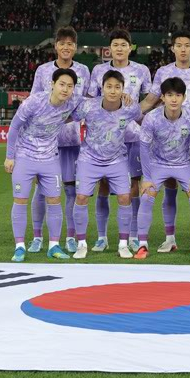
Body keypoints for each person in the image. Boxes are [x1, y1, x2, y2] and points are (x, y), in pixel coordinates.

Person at [142, 31, 190, 253]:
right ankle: (169, 238)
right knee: (169, 191)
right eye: (178, 45)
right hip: (165, 139)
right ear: (172, 48)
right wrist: (127, 114)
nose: (183, 49)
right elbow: (151, 99)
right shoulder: (163, 72)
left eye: (187, 45)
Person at [86, 29, 152, 253]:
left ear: (130, 47)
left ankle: (133, 235)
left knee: (133, 186)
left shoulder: (141, 70)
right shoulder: (99, 70)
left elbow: (151, 97)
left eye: (124, 44)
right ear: (110, 48)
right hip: (104, 137)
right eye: (115, 44)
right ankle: (102, 237)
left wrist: (134, 111)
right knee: (103, 184)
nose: (119, 48)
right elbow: (91, 99)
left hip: (132, 136)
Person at [5, 68, 81, 263]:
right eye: (62, 84)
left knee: (55, 201)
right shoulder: (34, 102)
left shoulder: (72, 103)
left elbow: (97, 106)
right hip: (25, 156)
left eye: (70, 86)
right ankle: (20, 247)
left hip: (49, 158)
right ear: (52, 84)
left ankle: (53, 246)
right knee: (20, 200)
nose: (65, 89)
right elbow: (14, 127)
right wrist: (10, 157)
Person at [28, 27, 90, 256]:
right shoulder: (43, 71)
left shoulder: (83, 71)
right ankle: (37, 237)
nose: (66, 47)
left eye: (70, 43)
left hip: (73, 140)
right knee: (41, 190)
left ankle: (71, 236)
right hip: (45, 141)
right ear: (55, 45)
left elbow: (87, 103)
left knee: (72, 190)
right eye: (62, 43)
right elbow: (34, 101)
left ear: (75, 47)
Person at [71, 70, 142, 260]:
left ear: (123, 89)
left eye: (117, 87)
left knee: (125, 197)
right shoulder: (88, 106)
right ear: (102, 88)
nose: (112, 91)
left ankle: (123, 244)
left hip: (117, 159)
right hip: (89, 158)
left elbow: (140, 116)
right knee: (81, 196)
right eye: (109, 86)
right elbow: (70, 114)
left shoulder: (130, 108)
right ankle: (81, 244)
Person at [134, 77, 190, 260]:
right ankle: (142, 244)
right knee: (146, 195)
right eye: (169, 95)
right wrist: (147, 177)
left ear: (184, 98)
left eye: (178, 95)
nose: (174, 99)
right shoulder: (151, 118)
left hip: (184, 164)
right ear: (163, 98)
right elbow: (143, 148)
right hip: (158, 163)